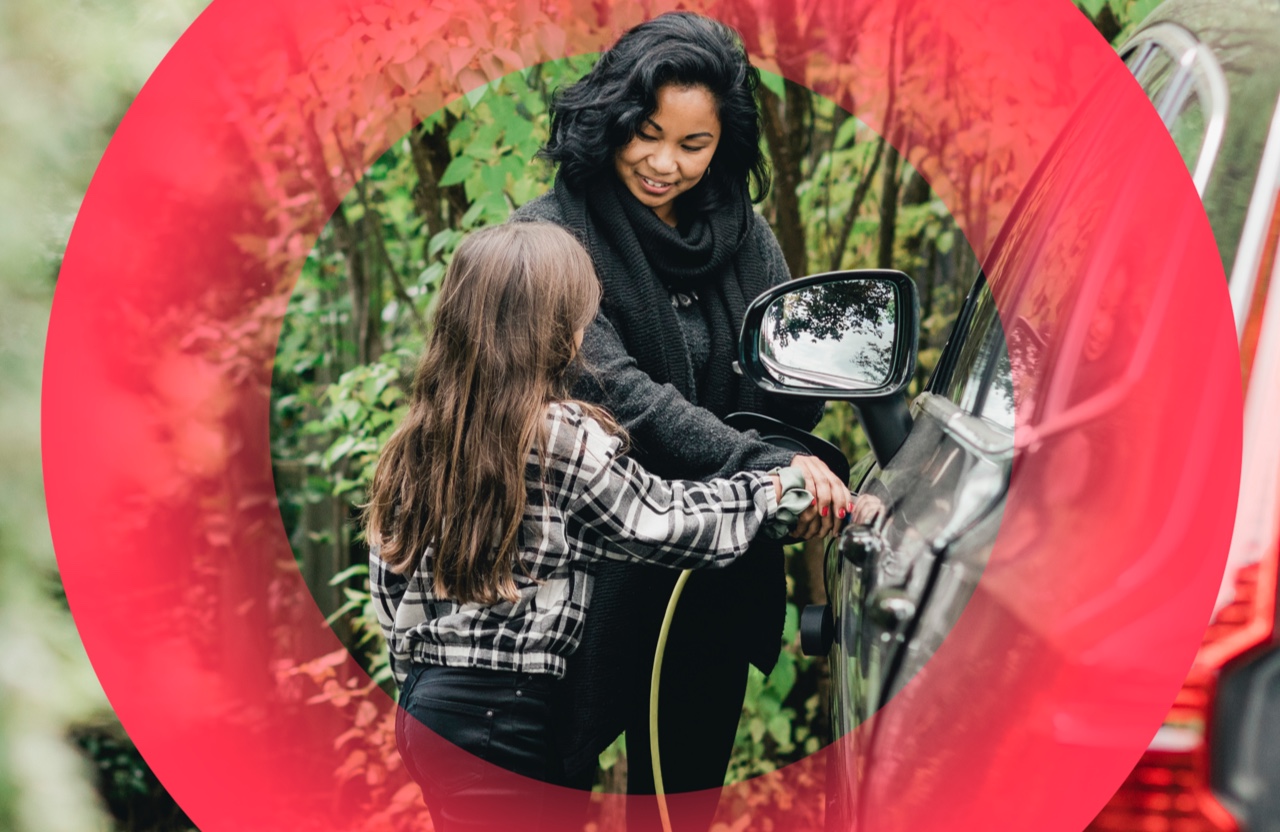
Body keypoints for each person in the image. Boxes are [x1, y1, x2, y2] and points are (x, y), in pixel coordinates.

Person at [510, 10, 853, 830]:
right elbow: (618, 391)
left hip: (712, 572)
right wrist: (762, 469)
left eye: (692, 146)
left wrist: (788, 462)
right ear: (611, 120)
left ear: (723, 145)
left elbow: (782, 390)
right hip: (580, 573)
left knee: (675, 807)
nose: (664, 164)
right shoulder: (548, 239)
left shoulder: (743, 235)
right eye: (647, 134)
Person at [364, 222, 811, 832]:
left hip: (428, 709)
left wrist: (429, 686)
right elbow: (659, 522)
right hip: (512, 718)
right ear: (551, 330)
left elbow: (389, 592)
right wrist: (770, 486)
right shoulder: (561, 436)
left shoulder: (415, 442)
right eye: (579, 317)